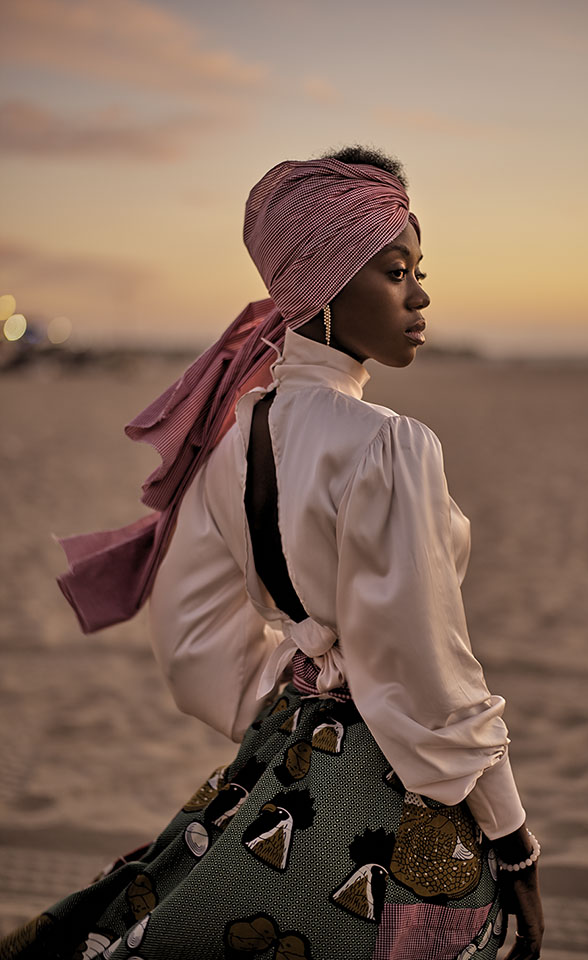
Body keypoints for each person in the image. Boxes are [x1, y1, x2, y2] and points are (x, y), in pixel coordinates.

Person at [0, 147, 543, 960]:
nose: (422, 294)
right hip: (392, 793)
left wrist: (289, 700)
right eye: (396, 271)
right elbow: (429, 678)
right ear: (323, 285)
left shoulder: (231, 435)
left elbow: (190, 641)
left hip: (280, 749)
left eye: (419, 269)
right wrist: (515, 841)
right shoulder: (389, 446)